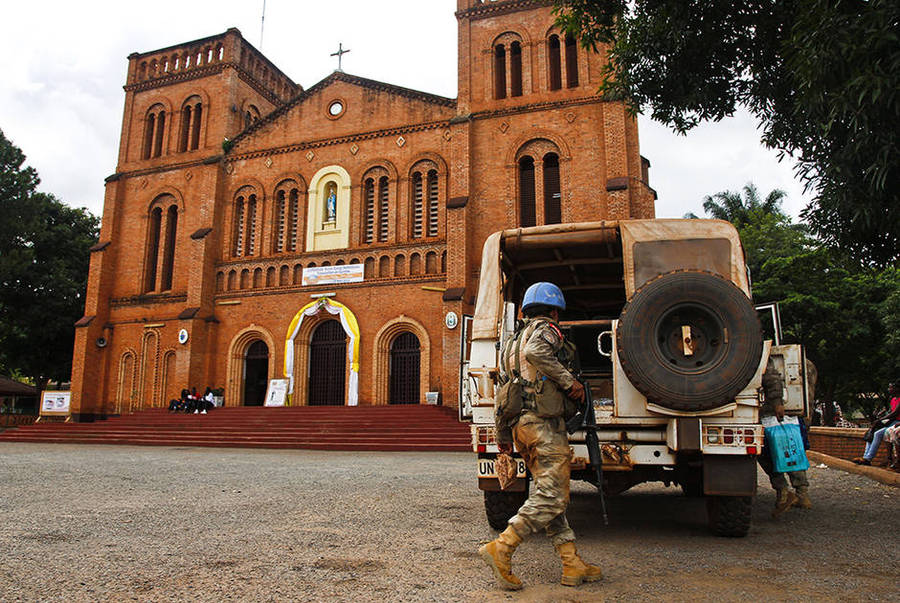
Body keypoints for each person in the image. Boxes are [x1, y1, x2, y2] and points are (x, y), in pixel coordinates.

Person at [479, 282, 602, 590]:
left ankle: (571, 563)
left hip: (522, 428)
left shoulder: (511, 342)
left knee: (548, 496)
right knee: (552, 495)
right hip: (544, 427)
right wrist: (568, 381)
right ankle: (502, 547)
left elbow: (502, 391)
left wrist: (503, 433)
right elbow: (538, 352)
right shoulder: (546, 330)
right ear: (553, 310)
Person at [758, 359, 811, 516]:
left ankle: (784, 491)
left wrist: (777, 403)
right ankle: (800, 494)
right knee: (790, 450)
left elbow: (771, 378)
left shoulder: (757, 356)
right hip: (774, 415)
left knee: (772, 454)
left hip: (769, 416)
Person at [853, 382, 900, 466]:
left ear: (897, 389)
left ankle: (869, 458)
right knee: (871, 433)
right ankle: (865, 456)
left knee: (878, 434)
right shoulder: (893, 400)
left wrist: (881, 420)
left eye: (891, 388)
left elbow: (895, 413)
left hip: (897, 422)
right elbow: (890, 411)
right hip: (890, 422)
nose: (889, 389)